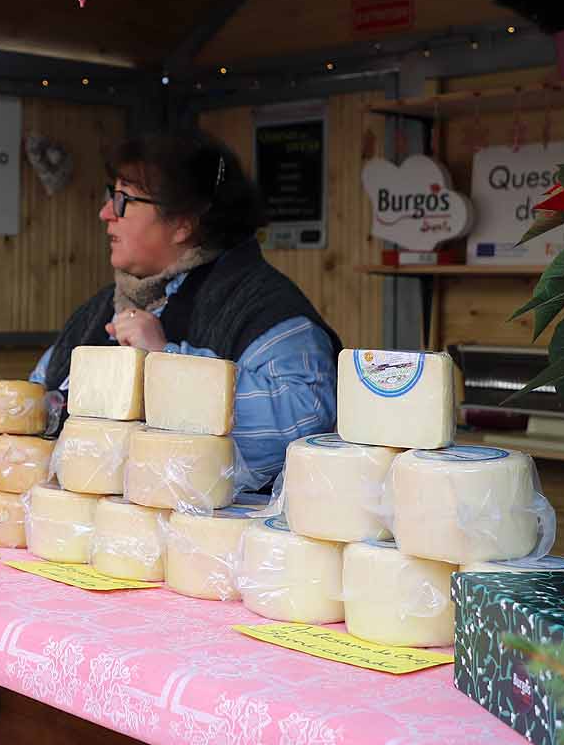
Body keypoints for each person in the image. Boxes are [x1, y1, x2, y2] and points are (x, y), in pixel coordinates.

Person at [31, 132, 339, 485]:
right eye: (108, 196)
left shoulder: (266, 309)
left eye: (123, 200)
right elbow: (40, 395)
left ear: (182, 222)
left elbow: (305, 420)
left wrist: (167, 361)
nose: (105, 213)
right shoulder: (100, 308)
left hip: (213, 536)